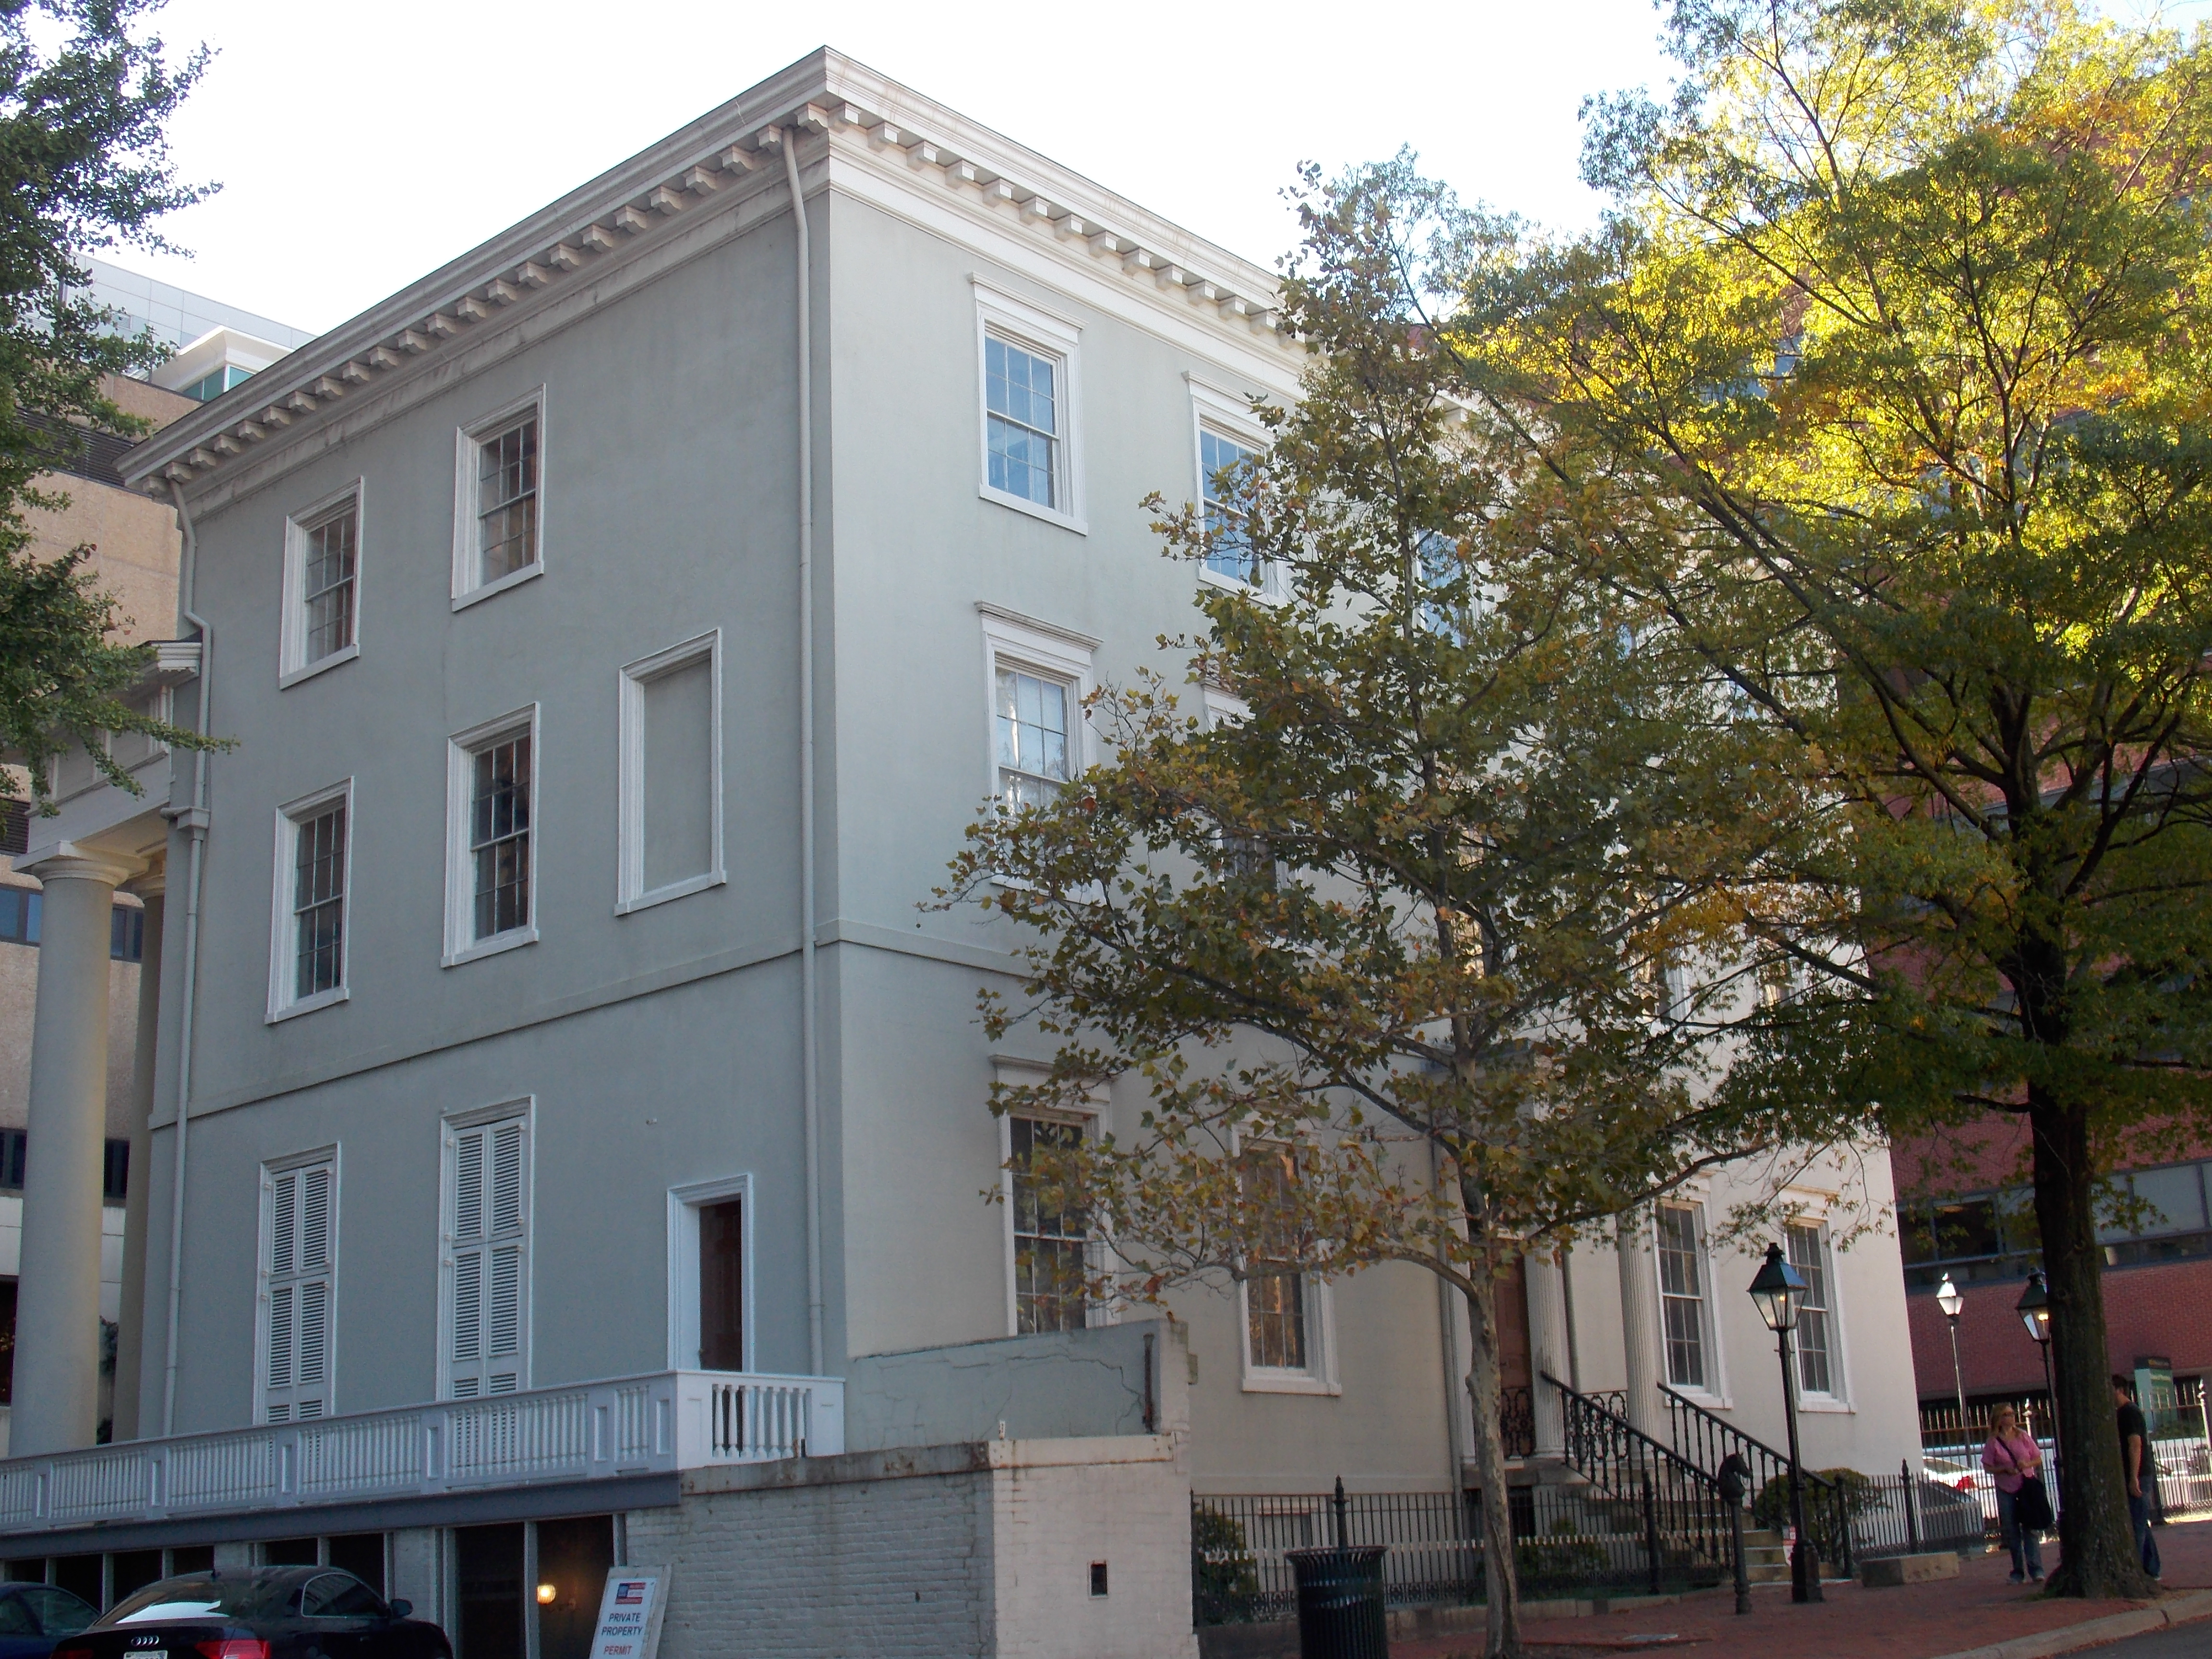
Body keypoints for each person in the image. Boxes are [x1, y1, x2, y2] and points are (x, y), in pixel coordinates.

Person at [1983, 1402, 2046, 1583]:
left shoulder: (2023, 1436)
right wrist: (2003, 1469)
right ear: (1998, 1419)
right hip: (2006, 1488)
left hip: (2025, 1486)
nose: (2010, 1418)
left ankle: (2036, 1568)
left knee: (2030, 1528)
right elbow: (1987, 1466)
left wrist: (2027, 1465)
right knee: (2011, 1529)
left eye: (2011, 1414)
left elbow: (2037, 1458)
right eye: (2006, 1415)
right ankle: (2017, 1570)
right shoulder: (1993, 1442)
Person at [2114, 1375, 2162, 1580]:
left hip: (2139, 1474)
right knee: (2140, 1520)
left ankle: (2139, 1569)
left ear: (2118, 1390)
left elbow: (2136, 1444)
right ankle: (2152, 1568)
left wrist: (2133, 1476)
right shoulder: (2124, 1413)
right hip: (2138, 1473)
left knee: (2136, 1522)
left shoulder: (2129, 1413)